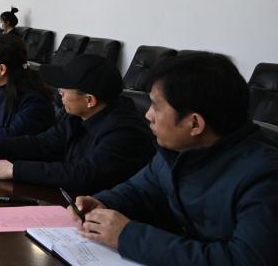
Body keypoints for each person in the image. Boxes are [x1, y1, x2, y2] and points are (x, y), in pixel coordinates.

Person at [74, 52, 278, 265]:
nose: (148, 115)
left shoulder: (265, 177)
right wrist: (103, 202)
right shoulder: (178, 150)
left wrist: (128, 236)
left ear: (195, 124)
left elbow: (242, 260)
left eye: (156, 106)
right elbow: (139, 191)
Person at [0, 54, 155, 194]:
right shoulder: (77, 115)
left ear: (89, 100)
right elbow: (44, 143)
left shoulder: (125, 132)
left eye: (64, 89)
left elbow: (83, 174)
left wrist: (13, 170)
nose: (59, 94)